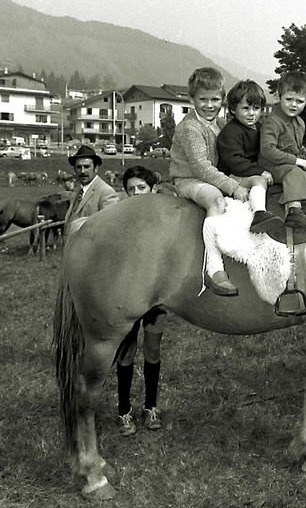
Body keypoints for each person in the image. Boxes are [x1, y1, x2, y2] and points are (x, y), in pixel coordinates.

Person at [168, 67, 249, 296]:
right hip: (189, 179)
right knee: (216, 201)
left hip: (212, 175)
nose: (209, 105)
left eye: (215, 99)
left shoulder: (221, 124)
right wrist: (233, 186)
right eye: (203, 100)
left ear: (222, 99)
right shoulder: (190, 128)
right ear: (191, 98)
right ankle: (213, 269)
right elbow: (201, 167)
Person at [116, 164, 165, 435]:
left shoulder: (163, 220)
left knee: (153, 350)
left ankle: (151, 407)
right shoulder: (120, 221)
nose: (136, 194)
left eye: (141, 188)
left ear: (153, 189)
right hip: (126, 295)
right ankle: (124, 411)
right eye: (131, 189)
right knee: (126, 353)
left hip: (156, 299)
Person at [217, 79, 283, 234]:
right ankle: (259, 214)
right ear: (233, 109)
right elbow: (235, 162)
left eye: (256, 108)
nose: (252, 113)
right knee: (259, 180)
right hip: (232, 175)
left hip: (250, 170)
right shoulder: (231, 132)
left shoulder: (259, 128)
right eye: (246, 108)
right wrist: (260, 171)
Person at [259, 71, 306, 229]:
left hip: (286, 165)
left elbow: (294, 149)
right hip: (270, 165)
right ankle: (293, 211)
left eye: (299, 101)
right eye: (289, 99)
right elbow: (267, 150)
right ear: (278, 97)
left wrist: (304, 159)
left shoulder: (300, 124)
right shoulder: (273, 122)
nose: (293, 105)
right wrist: (296, 161)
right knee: (296, 172)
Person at [63, 144, 119, 233]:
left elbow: (109, 230)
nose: (82, 171)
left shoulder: (106, 192)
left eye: (86, 167)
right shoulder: (78, 191)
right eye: (78, 167)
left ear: (96, 168)